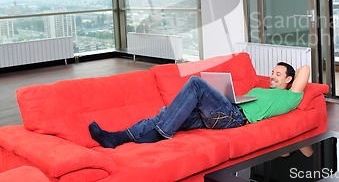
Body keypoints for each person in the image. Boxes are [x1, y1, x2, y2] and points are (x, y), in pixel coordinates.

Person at [88, 62, 310, 148]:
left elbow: (305, 68)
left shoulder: (290, 97)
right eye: (272, 72)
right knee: (167, 113)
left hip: (234, 117)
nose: (272, 76)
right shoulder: (261, 90)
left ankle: (162, 132)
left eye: (278, 74)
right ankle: (116, 138)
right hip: (225, 110)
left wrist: (289, 78)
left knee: (195, 83)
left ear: (289, 80)